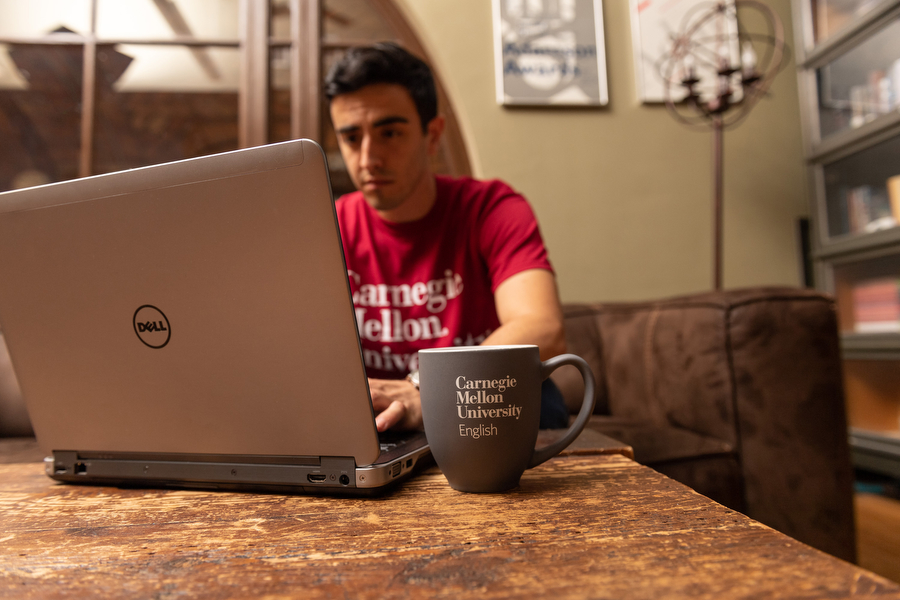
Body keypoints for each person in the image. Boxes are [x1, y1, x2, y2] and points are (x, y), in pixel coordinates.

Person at [324, 42, 569, 432]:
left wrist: (427, 392)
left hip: (481, 412)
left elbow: (543, 329)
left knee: (543, 401)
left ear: (432, 135)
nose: (368, 158)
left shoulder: (492, 208)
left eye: (389, 133)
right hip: (380, 422)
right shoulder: (328, 225)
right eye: (352, 138)